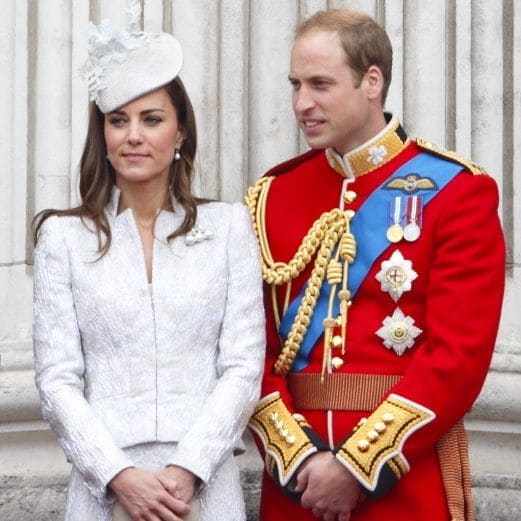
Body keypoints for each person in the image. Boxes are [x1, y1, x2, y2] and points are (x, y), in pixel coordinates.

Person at [246, 8, 504, 521]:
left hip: (403, 477)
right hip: (297, 485)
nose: (302, 103)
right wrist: (298, 459)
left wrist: (357, 466)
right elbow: (250, 350)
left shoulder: (457, 191)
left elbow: (458, 356)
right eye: (295, 84)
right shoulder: (272, 197)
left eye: (320, 84)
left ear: (371, 81)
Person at [32, 3, 265, 520]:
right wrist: (117, 476)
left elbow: (243, 367)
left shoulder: (228, 227)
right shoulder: (64, 238)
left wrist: (189, 468)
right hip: (104, 489)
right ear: (105, 135)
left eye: (151, 119)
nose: (133, 135)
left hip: (203, 485)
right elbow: (56, 378)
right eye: (119, 121)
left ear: (179, 133)